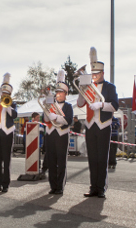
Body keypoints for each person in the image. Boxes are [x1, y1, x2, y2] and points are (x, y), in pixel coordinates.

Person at [77, 47, 119, 199]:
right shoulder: (88, 86)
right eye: (92, 74)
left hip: (103, 124)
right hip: (90, 125)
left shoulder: (109, 87)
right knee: (92, 158)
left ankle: (101, 188)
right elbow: (80, 103)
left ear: (102, 73)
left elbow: (115, 106)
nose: (94, 76)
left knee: (102, 159)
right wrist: (82, 88)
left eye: (97, 74)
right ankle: (93, 187)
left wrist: (101, 105)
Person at [42, 69, 74, 195]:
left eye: (61, 92)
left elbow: (69, 120)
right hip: (50, 134)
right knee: (51, 161)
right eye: (57, 92)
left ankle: (60, 186)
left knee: (61, 162)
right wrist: (46, 108)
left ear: (65, 94)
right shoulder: (50, 104)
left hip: (62, 135)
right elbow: (44, 119)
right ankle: (53, 186)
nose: (58, 94)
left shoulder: (68, 106)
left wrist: (56, 117)